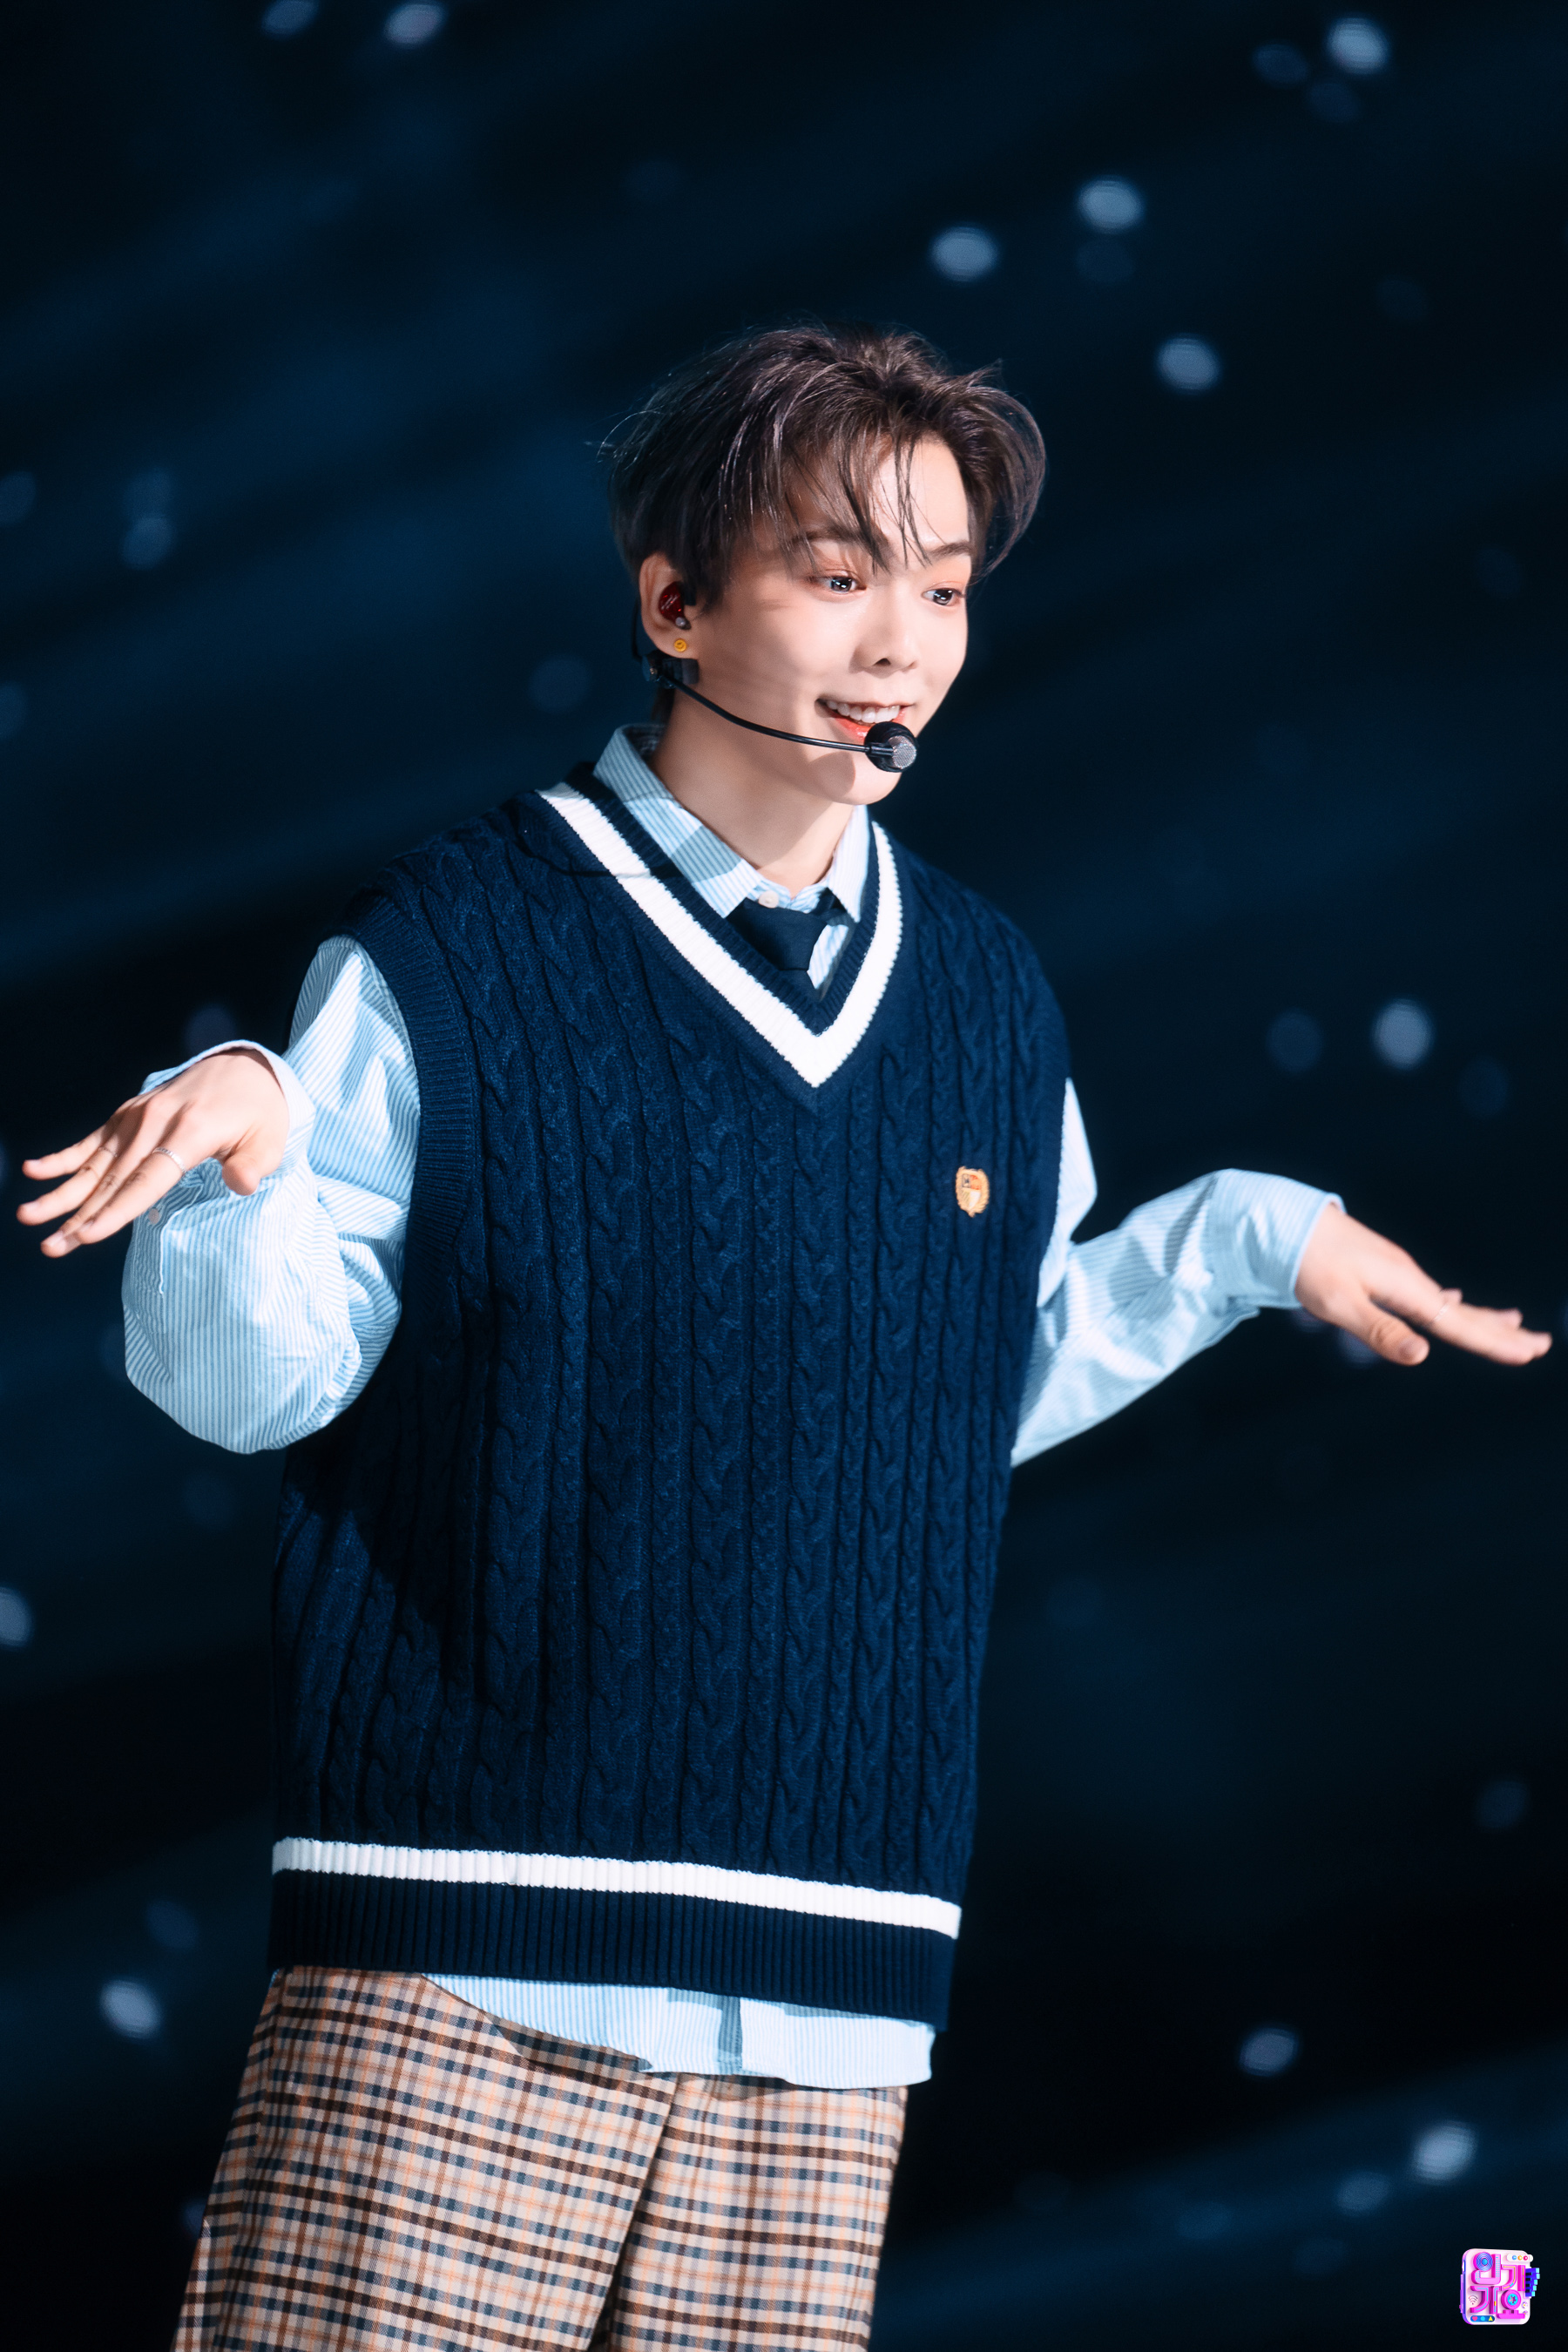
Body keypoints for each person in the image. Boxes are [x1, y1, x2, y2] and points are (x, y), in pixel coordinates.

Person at [19, 324, 1549, 2352]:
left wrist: (1242, 1242)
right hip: (463, 1958)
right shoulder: (460, 947)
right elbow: (252, 1389)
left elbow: (939, 1412)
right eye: (838, 575)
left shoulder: (987, 998)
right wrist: (246, 1158)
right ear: (674, 603)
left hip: (834, 1993)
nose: (901, 641)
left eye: (944, 588)